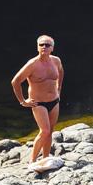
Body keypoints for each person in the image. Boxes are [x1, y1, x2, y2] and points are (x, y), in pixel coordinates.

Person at [10, 35, 64, 165]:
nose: (44, 47)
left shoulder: (56, 60)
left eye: (47, 45)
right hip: (38, 102)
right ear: (37, 47)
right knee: (44, 131)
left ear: (52, 48)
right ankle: (32, 161)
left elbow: (61, 73)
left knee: (50, 131)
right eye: (41, 44)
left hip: (54, 100)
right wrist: (23, 101)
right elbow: (15, 81)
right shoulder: (32, 64)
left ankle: (45, 158)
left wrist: (59, 89)